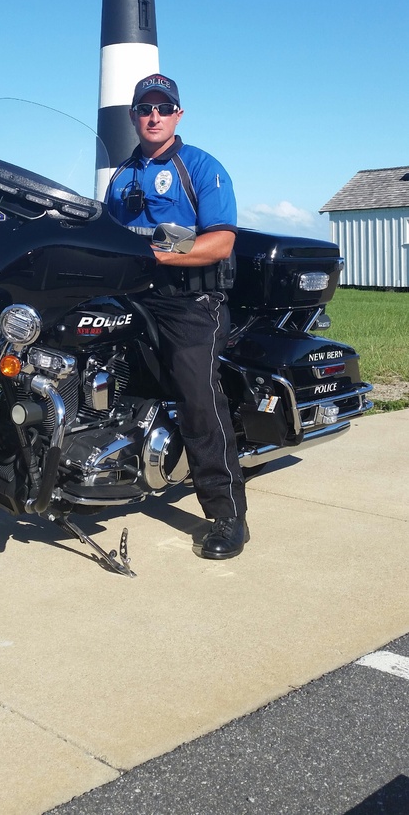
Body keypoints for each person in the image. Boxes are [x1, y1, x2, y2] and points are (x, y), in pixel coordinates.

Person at [105, 73, 248, 559]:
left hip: (191, 302)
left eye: (163, 108)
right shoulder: (121, 176)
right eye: (145, 108)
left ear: (178, 115)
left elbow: (221, 241)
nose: (154, 116)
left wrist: (159, 249)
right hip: (133, 296)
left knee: (197, 398)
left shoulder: (201, 167)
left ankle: (228, 515)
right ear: (133, 116)